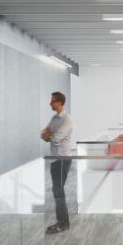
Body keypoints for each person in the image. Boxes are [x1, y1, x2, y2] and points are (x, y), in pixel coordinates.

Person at [40, 92, 75, 234]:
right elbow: (43, 134)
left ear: (60, 102)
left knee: (58, 190)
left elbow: (55, 138)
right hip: (55, 159)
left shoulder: (67, 120)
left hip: (62, 159)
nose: (50, 103)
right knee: (57, 190)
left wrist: (49, 134)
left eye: (52, 101)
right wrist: (48, 134)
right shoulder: (54, 118)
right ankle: (62, 222)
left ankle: (63, 223)